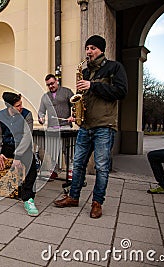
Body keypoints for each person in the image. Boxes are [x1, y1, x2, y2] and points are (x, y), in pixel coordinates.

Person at [53, 35, 128, 219]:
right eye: (87, 48)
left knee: (101, 167)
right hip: (85, 126)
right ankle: (73, 196)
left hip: (104, 125)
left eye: (93, 48)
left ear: (101, 50)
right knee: (78, 164)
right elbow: (82, 97)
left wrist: (92, 86)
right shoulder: (85, 72)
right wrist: (76, 112)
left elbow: (121, 91)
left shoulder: (114, 67)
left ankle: (97, 203)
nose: (89, 51)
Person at [38, 74, 74, 178]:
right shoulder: (45, 96)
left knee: (68, 151)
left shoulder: (67, 92)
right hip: (51, 128)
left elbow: (76, 106)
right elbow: (41, 111)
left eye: (52, 83)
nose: (51, 86)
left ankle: (71, 171)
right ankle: (55, 170)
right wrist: (41, 118)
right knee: (52, 152)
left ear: (57, 81)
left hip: (65, 127)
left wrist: (73, 116)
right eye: (48, 85)